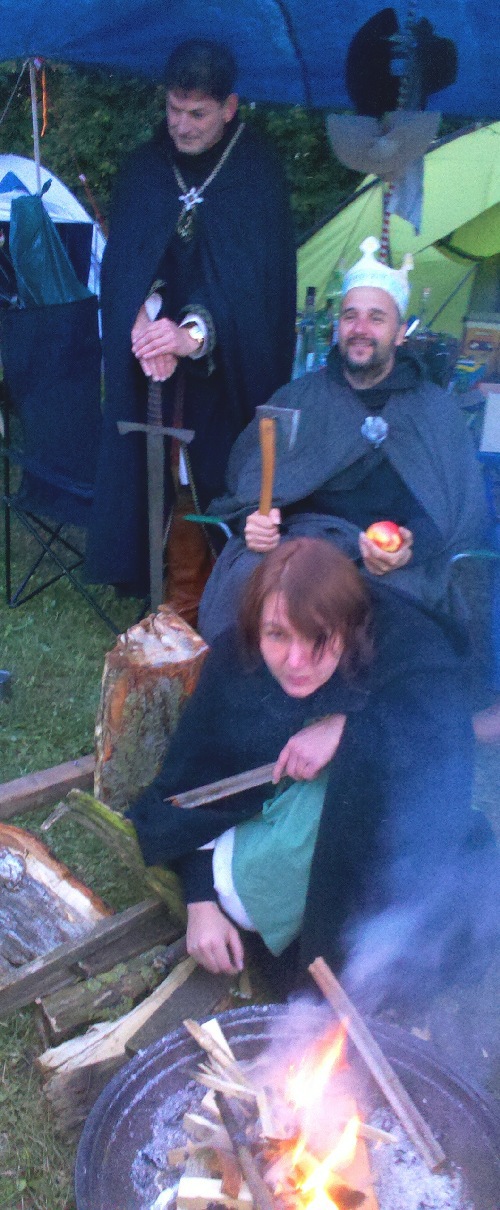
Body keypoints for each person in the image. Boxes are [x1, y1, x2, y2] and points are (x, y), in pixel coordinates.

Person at [128, 539, 498, 1002]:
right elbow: (190, 790)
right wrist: (201, 900)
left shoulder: (408, 650)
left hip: (379, 866)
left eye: (318, 639)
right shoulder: (239, 661)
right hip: (285, 874)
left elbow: (442, 749)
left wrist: (350, 728)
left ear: (350, 629)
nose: (296, 661)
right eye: (277, 635)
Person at [85, 38, 296, 620]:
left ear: (229, 107)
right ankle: (173, 595)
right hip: (152, 367)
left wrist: (192, 335)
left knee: (215, 471)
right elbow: (124, 264)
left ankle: (223, 596)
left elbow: (255, 288)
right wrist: (142, 321)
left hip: (227, 374)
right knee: (160, 470)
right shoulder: (146, 168)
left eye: (197, 113)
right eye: (173, 109)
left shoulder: (255, 173)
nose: (180, 124)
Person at [198, 235, 486, 644]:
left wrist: (411, 544)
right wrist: (256, 523)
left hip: (391, 559)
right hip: (303, 543)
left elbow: (457, 509)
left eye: (376, 318)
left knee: (392, 619)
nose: (360, 329)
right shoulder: (298, 399)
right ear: (338, 326)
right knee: (248, 586)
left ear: (399, 333)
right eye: (350, 316)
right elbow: (252, 491)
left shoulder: (434, 410)